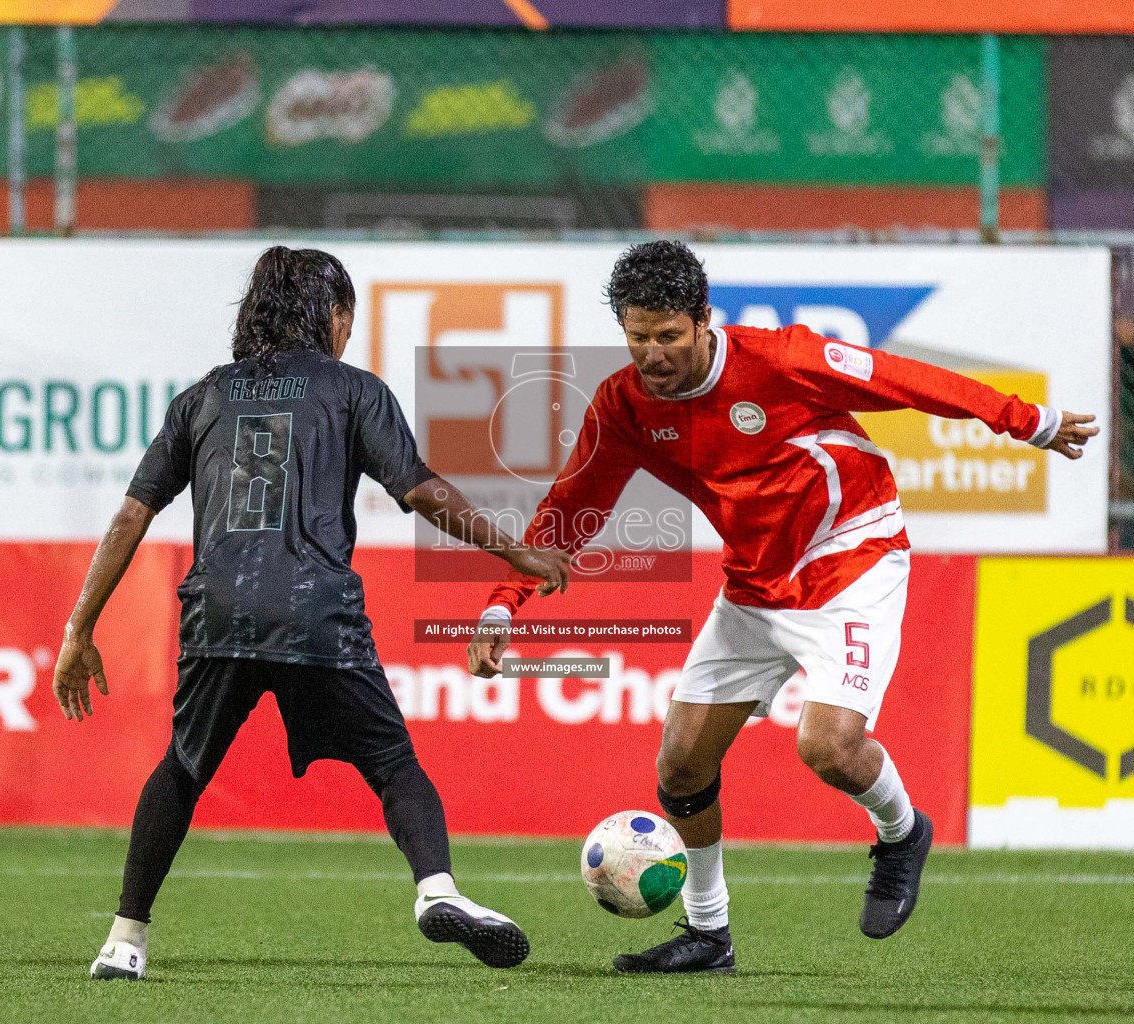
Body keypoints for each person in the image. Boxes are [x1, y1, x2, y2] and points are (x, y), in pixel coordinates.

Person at [466, 241, 1097, 973]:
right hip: (754, 586)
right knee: (680, 768)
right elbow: (572, 506)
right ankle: (709, 934)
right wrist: (502, 605)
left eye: (668, 335)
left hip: (850, 560)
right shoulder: (625, 404)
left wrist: (1025, 420)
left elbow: (905, 380)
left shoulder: (783, 359)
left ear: (705, 321)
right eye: (638, 336)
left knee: (827, 747)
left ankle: (901, 832)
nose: (653, 353)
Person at [53, 246, 571, 981]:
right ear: (332, 316)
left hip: (219, 612)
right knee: (393, 766)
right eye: (347, 320)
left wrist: (80, 629)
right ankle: (436, 891)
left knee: (182, 768)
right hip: (314, 609)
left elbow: (132, 514)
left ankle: (123, 941)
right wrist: (514, 552)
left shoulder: (203, 396)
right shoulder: (355, 391)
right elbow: (419, 491)